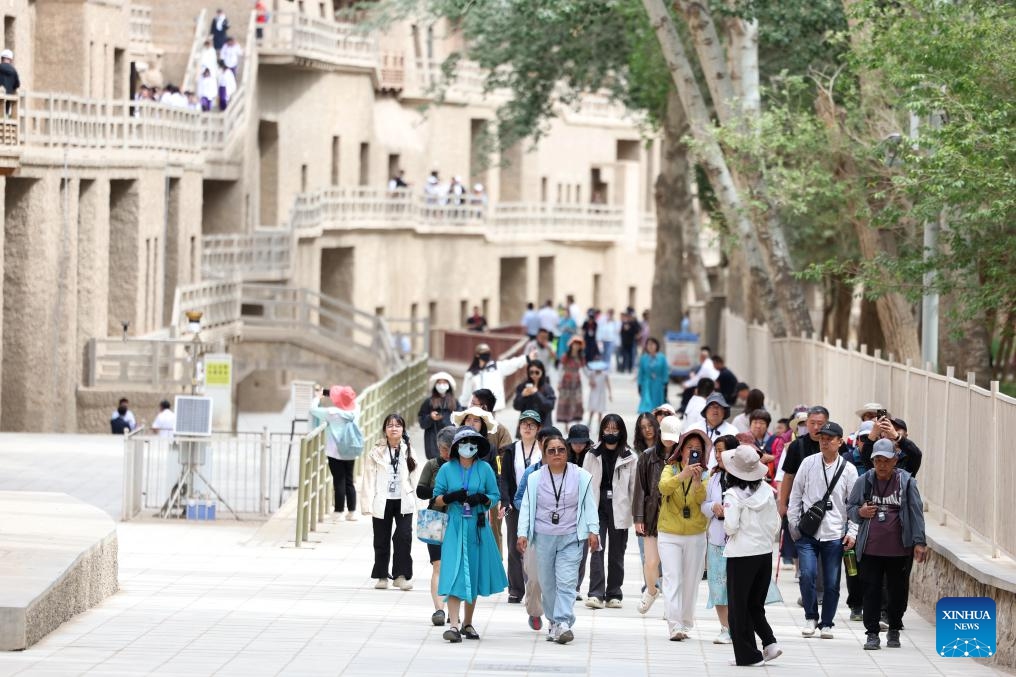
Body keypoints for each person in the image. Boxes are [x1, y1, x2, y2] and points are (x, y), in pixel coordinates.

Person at [518, 430, 600, 644]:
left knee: (567, 580)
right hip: (543, 537)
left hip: (571, 536)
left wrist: (594, 530)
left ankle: (563, 622)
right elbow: (526, 507)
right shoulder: (535, 478)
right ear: (544, 454)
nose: (557, 454)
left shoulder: (580, 475)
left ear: (567, 452)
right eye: (551, 450)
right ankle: (553, 622)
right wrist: (522, 533)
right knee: (548, 583)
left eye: (561, 450)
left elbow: (589, 504)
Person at [848, 439, 929, 651]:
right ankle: (872, 633)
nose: (882, 465)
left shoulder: (906, 482)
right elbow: (850, 508)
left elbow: (916, 512)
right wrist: (860, 512)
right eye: (877, 460)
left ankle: (894, 628)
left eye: (886, 460)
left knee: (897, 592)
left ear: (895, 460)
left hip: (899, 550)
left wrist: (919, 542)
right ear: (873, 461)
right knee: (871, 591)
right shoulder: (864, 481)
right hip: (870, 549)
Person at [433, 427, 508, 642]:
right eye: (464, 442)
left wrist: (482, 499)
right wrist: (450, 497)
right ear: (457, 446)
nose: (468, 446)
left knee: (472, 573)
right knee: (455, 572)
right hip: (455, 526)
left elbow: (494, 496)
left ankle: (468, 623)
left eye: (472, 442)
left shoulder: (484, 469)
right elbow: (436, 498)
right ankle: (454, 625)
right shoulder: (447, 469)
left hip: (477, 526)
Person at [787, 420, 858, 639]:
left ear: (839, 442)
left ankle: (827, 622)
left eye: (829, 439)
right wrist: (794, 524)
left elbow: (853, 504)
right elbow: (796, 494)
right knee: (807, 575)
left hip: (834, 533)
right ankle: (811, 617)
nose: (824, 442)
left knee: (831, 581)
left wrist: (852, 531)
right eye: (822, 438)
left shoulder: (849, 470)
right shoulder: (808, 463)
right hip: (808, 532)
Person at [721, 444, 783, 666]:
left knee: (738, 608)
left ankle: (748, 656)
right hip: (764, 553)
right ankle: (770, 643)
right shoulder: (767, 491)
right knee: (755, 604)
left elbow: (730, 527)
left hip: (741, 555)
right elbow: (776, 524)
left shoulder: (732, 495)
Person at [657, 427, 711, 640]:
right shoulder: (670, 468)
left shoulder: (706, 473)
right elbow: (663, 488)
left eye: (697, 449)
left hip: (696, 534)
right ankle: (674, 625)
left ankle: (686, 622)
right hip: (669, 533)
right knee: (672, 579)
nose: (693, 452)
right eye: (689, 448)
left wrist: (696, 482)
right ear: (681, 450)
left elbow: (701, 500)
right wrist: (683, 475)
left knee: (691, 581)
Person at [582, 414, 637, 609]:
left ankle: (614, 593)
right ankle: (595, 593)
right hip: (597, 507)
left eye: (615, 429)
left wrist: (636, 515)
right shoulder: (592, 454)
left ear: (621, 431)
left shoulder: (630, 456)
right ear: (602, 430)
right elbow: (585, 485)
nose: (611, 433)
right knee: (596, 548)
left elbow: (634, 488)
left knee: (616, 552)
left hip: (620, 507)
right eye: (607, 429)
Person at [360, 413, 419, 591]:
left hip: (403, 500)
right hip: (382, 499)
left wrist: (421, 501)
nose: (394, 428)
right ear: (385, 430)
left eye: (398, 425)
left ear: (403, 429)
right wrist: (366, 504)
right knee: (381, 538)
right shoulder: (376, 451)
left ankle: (401, 576)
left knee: (404, 537)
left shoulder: (408, 449)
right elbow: (368, 479)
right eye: (390, 425)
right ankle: (382, 575)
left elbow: (415, 477)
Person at [499, 410, 544, 608]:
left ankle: (536, 587)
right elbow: (505, 479)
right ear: (519, 427)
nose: (528, 427)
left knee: (536, 548)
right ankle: (516, 589)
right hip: (515, 506)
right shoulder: (510, 450)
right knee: (514, 546)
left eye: (532, 425)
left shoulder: (543, 450)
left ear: (538, 429)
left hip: (539, 505)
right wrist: (506, 501)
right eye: (524, 424)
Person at [634, 415, 678, 615]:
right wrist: (638, 518)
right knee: (651, 562)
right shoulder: (647, 456)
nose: (669, 440)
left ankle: (671, 608)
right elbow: (640, 488)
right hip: (652, 515)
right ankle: (651, 591)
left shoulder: (682, 456)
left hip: (675, 516)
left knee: (671, 567)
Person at [417, 426, 457, 626]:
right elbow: (420, 491)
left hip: (457, 521)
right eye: (443, 448)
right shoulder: (432, 465)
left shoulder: (462, 467)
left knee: (453, 566)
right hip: (434, 519)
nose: (446, 453)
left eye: (449, 448)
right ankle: (439, 609)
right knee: (438, 564)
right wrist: (440, 491)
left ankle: (453, 610)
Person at [311, 385, 361, 519]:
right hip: (351, 449)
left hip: (335, 451)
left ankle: (338, 511)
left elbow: (313, 410)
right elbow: (350, 400)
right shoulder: (356, 410)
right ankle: (352, 512)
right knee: (349, 480)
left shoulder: (332, 413)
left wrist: (318, 397)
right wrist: (335, 395)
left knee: (339, 480)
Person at [459, 343, 530, 412]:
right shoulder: (471, 373)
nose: (486, 355)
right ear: (477, 355)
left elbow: (512, 364)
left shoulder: (497, 367)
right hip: (476, 408)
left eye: (487, 352)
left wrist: (527, 358)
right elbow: (466, 392)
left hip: (491, 407)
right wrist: (462, 406)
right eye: (483, 353)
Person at [417, 372, 462, 460]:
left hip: (451, 441)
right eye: (439, 383)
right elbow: (422, 422)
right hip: (433, 441)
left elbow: (460, 421)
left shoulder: (455, 403)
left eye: (444, 382)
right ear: (435, 385)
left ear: (449, 385)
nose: (442, 385)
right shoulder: (428, 402)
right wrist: (430, 417)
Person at [513, 359, 557, 427]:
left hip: (543, 425)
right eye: (531, 372)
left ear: (542, 372)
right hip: (527, 425)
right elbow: (516, 406)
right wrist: (522, 395)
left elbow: (550, 406)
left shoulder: (547, 388)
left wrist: (536, 393)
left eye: (537, 372)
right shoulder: (522, 387)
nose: (534, 375)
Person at [555, 337, 586, 429]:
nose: (576, 346)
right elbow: (561, 369)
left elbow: (584, 369)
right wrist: (559, 382)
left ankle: (577, 423)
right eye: (574, 344)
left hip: (576, 381)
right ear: (571, 345)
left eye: (578, 344)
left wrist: (593, 377)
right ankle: (566, 424)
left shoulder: (581, 357)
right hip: (566, 382)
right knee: (566, 401)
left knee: (577, 401)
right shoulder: (566, 356)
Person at [636, 337, 669, 413]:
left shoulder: (662, 358)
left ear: (656, 345)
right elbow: (641, 372)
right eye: (648, 344)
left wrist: (665, 384)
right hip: (646, 383)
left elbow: (665, 371)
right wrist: (639, 384)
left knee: (657, 404)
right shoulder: (643, 358)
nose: (650, 346)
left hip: (658, 383)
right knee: (647, 403)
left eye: (652, 344)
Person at [585, 360, 611, 428]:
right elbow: (590, 383)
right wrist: (591, 382)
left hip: (601, 394)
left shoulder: (604, 374)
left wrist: (610, 394)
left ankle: (599, 426)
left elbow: (608, 384)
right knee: (592, 410)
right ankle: (589, 424)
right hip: (594, 394)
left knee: (600, 411)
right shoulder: (592, 374)